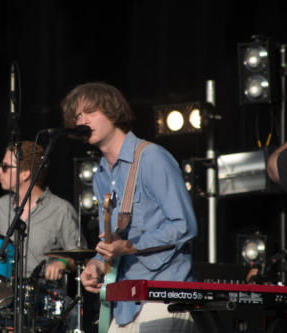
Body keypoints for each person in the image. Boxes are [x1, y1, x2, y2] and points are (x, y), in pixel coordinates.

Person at [61, 82, 198, 332]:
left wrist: (132, 246)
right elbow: (115, 239)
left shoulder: (151, 157)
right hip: (123, 302)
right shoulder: (101, 175)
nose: (82, 120)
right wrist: (96, 264)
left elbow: (184, 225)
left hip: (164, 294)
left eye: (90, 112)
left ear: (112, 111)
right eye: (77, 116)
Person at [0, 140, 84, 330]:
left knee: (73, 313)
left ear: (25, 174)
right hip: (7, 296)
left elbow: (82, 257)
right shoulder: (0, 207)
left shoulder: (61, 209)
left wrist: (63, 262)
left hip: (45, 297)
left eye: (5, 167)